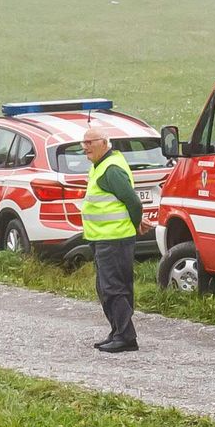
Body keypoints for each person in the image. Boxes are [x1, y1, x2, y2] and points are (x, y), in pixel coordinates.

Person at [76, 121, 142, 354]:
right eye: (83, 142)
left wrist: (135, 224)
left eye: (89, 142)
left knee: (113, 288)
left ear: (104, 143)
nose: (85, 147)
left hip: (114, 239)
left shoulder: (110, 169)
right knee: (106, 288)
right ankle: (117, 332)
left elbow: (133, 201)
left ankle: (126, 336)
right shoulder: (100, 165)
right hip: (103, 238)